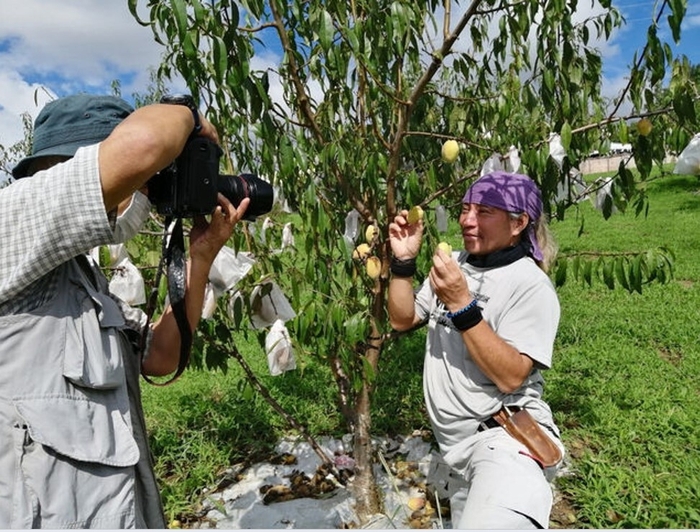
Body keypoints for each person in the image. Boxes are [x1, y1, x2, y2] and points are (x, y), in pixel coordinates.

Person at [0, 94, 250, 528]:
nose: (146, 194)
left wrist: (201, 258)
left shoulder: (81, 278)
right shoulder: (10, 222)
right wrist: (188, 116)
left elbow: (160, 356)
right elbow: (145, 143)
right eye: (144, 183)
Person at [388, 171, 564, 529]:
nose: (467, 220)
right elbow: (403, 319)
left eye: (484, 212)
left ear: (518, 223)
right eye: (466, 209)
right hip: (455, 448)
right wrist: (403, 264)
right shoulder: (456, 264)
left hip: (503, 440)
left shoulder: (530, 285)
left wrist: (462, 304)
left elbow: (511, 375)